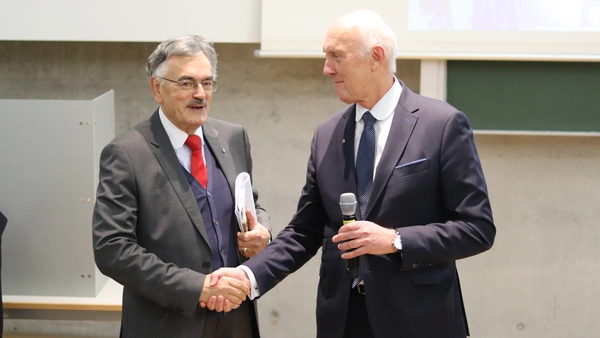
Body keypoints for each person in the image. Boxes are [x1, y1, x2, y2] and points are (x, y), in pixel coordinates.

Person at [208, 9, 495, 338]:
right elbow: (305, 231)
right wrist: (248, 276)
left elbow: (477, 228)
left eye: (336, 57)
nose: (326, 68)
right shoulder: (327, 134)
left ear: (376, 56)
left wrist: (395, 240)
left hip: (419, 320)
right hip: (342, 322)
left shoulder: (441, 125)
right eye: (326, 56)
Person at [92, 34, 271, 338]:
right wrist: (196, 287)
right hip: (166, 325)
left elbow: (250, 203)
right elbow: (112, 249)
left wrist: (262, 230)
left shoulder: (233, 137)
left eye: (207, 82)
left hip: (236, 320)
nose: (200, 94)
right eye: (186, 83)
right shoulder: (126, 154)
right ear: (156, 89)